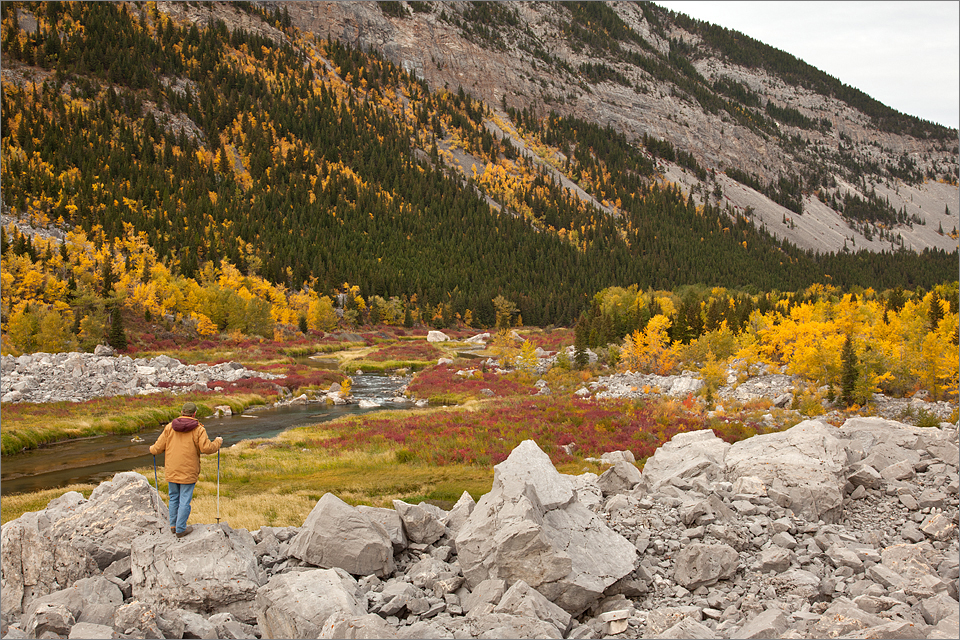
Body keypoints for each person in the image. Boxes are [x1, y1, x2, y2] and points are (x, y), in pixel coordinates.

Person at [150, 402, 222, 538]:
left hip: (172, 469)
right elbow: (206, 448)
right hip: (189, 470)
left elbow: (157, 448)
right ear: (194, 413)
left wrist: (151, 449)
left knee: (173, 497)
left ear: (182, 412)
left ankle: (173, 525)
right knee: (184, 499)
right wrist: (218, 442)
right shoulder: (198, 429)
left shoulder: (169, 427)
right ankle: (181, 529)